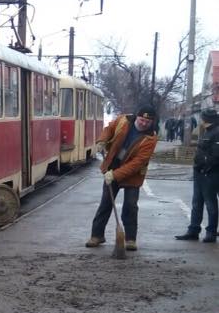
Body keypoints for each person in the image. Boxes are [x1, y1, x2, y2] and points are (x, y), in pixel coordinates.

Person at [85, 103, 159, 251]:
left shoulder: (150, 139)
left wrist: (115, 175)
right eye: (141, 119)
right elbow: (109, 129)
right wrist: (102, 141)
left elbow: (136, 164)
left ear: (152, 122)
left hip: (133, 175)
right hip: (112, 167)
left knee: (130, 206)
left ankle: (130, 239)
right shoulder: (122, 120)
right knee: (105, 204)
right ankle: (97, 235)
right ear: (137, 116)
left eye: (147, 121)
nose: (143, 123)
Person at [175, 108, 219, 243]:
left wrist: (206, 167)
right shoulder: (208, 130)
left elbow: (216, 155)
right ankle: (193, 230)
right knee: (197, 202)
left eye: (202, 118)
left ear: (206, 119)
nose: (200, 120)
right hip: (199, 172)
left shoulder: (216, 132)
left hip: (209, 173)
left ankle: (210, 232)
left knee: (210, 203)